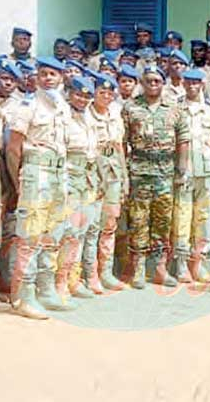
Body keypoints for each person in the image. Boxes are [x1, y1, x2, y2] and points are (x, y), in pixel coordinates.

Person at [5, 57, 70, 319]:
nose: (48, 79)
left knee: (53, 233)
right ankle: (23, 296)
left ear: (61, 78)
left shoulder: (63, 107)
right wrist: (18, 182)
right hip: (36, 172)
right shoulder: (28, 106)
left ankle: (46, 289)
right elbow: (13, 148)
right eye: (43, 74)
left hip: (58, 173)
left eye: (53, 74)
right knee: (29, 235)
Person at [121, 65, 190, 288]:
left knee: (163, 221)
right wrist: (124, 173)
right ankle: (139, 268)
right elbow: (122, 143)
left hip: (165, 172)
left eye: (157, 81)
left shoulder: (175, 109)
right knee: (139, 221)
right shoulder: (130, 108)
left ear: (163, 83)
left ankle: (160, 268)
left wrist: (181, 172)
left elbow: (184, 142)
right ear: (142, 82)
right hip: (139, 171)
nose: (153, 85)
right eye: (149, 81)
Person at [54, 76, 101, 307]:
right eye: (78, 95)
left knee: (81, 232)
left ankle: (73, 278)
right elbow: (59, 154)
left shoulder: (89, 118)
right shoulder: (62, 118)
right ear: (69, 93)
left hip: (87, 181)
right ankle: (59, 282)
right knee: (67, 232)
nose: (82, 99)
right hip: (69, 180)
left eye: (86, 96)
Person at [170, 69, 210, 284]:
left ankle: (198, 263)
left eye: (196, 83)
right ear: (183, 84)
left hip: (206, 170)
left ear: (202, 84)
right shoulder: (175, 109)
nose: (192, 86)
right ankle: (181, 264)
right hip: (185, 171)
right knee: (182, 217)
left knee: (203, 218)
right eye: (188, 82)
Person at [83, 75, 128, 291]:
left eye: (110, 93)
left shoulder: (116, 114)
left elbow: (120, 148)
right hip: (92, 175)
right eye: (102, 92)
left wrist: (124, 178)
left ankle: (105, 271)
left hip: (113, 175)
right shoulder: (85, 115)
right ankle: (89, 274)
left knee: (109, 225)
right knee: (91, 227)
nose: (106, 97)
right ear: (94, 92)